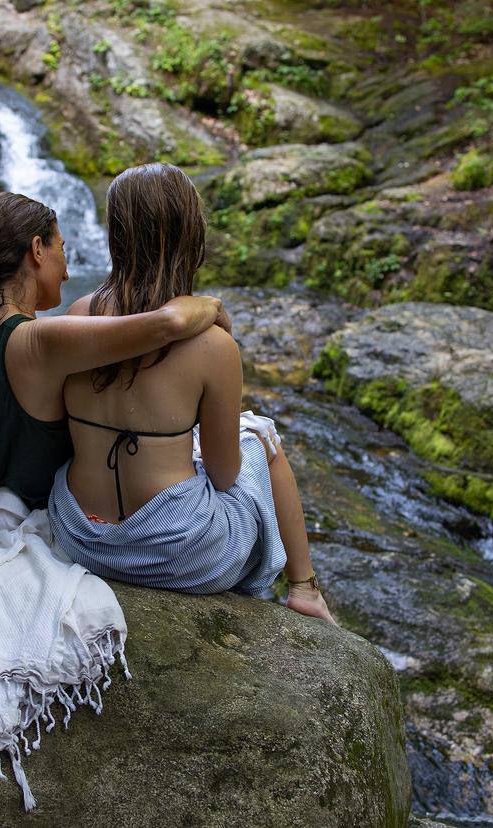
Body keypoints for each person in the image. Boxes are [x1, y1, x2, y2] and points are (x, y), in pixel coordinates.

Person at [48, 163, 335, 624]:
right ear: (191, 235)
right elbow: (224, 477)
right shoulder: (212, 346)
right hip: (176, 553)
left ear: (116, 236)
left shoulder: (78, 316)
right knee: (262, 437)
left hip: (82, 538)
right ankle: (304, 588)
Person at [0, 191, 228, 548]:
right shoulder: (42, 342)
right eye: (61, 249)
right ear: (37, 249)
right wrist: (213, 306)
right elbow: (170, 323)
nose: (67, 273)